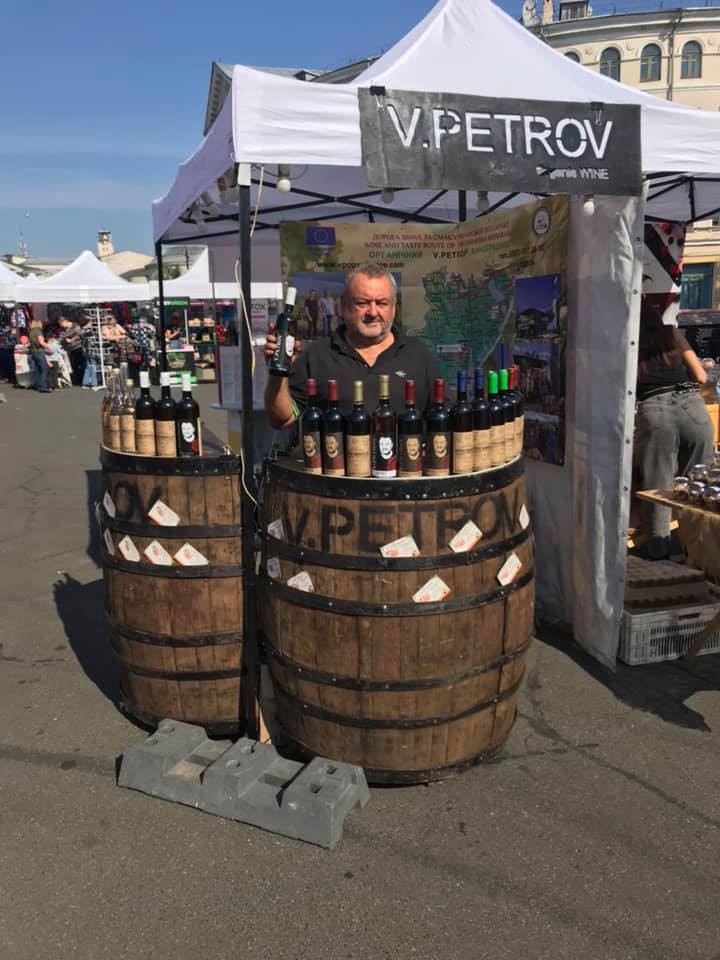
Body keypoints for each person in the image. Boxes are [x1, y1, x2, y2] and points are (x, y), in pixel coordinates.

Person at [264, 264, 440, 429]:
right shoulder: (317, 355)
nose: (372, 312)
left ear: (393, 307)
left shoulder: (417, 354)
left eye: (381, 303)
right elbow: (283, 418)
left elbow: (444, 417)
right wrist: (278, 372)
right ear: (343, 305)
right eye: (362, 303)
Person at [635, 303, 714, 559]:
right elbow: (701, 377)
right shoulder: (672, 334)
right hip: (693, 407)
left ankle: (659, 557)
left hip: (655, 410)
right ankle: (696, 553)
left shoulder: (630, 342)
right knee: (695, 490)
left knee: (658, 488)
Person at [57, 315, 85, 385]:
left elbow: (79, 334)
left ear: (64, 321)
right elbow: (61, 338)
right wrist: (59, 341)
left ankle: (83, 380)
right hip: (70, 350)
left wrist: (71, 340)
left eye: (61, 324)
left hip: (78, 347)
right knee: (74, 365)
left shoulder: (75, 326)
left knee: (81, 364)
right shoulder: (63, 330)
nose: (61, 326)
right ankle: (77, 380)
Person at [27, 318, 52, 392]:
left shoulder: (31, 332)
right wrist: (49, 348)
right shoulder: (38, 331)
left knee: (37, 369)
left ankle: (38, 385)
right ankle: (43, 386)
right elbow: (41, 342)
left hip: (33, 352)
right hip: (39, 351)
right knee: (44, 369)